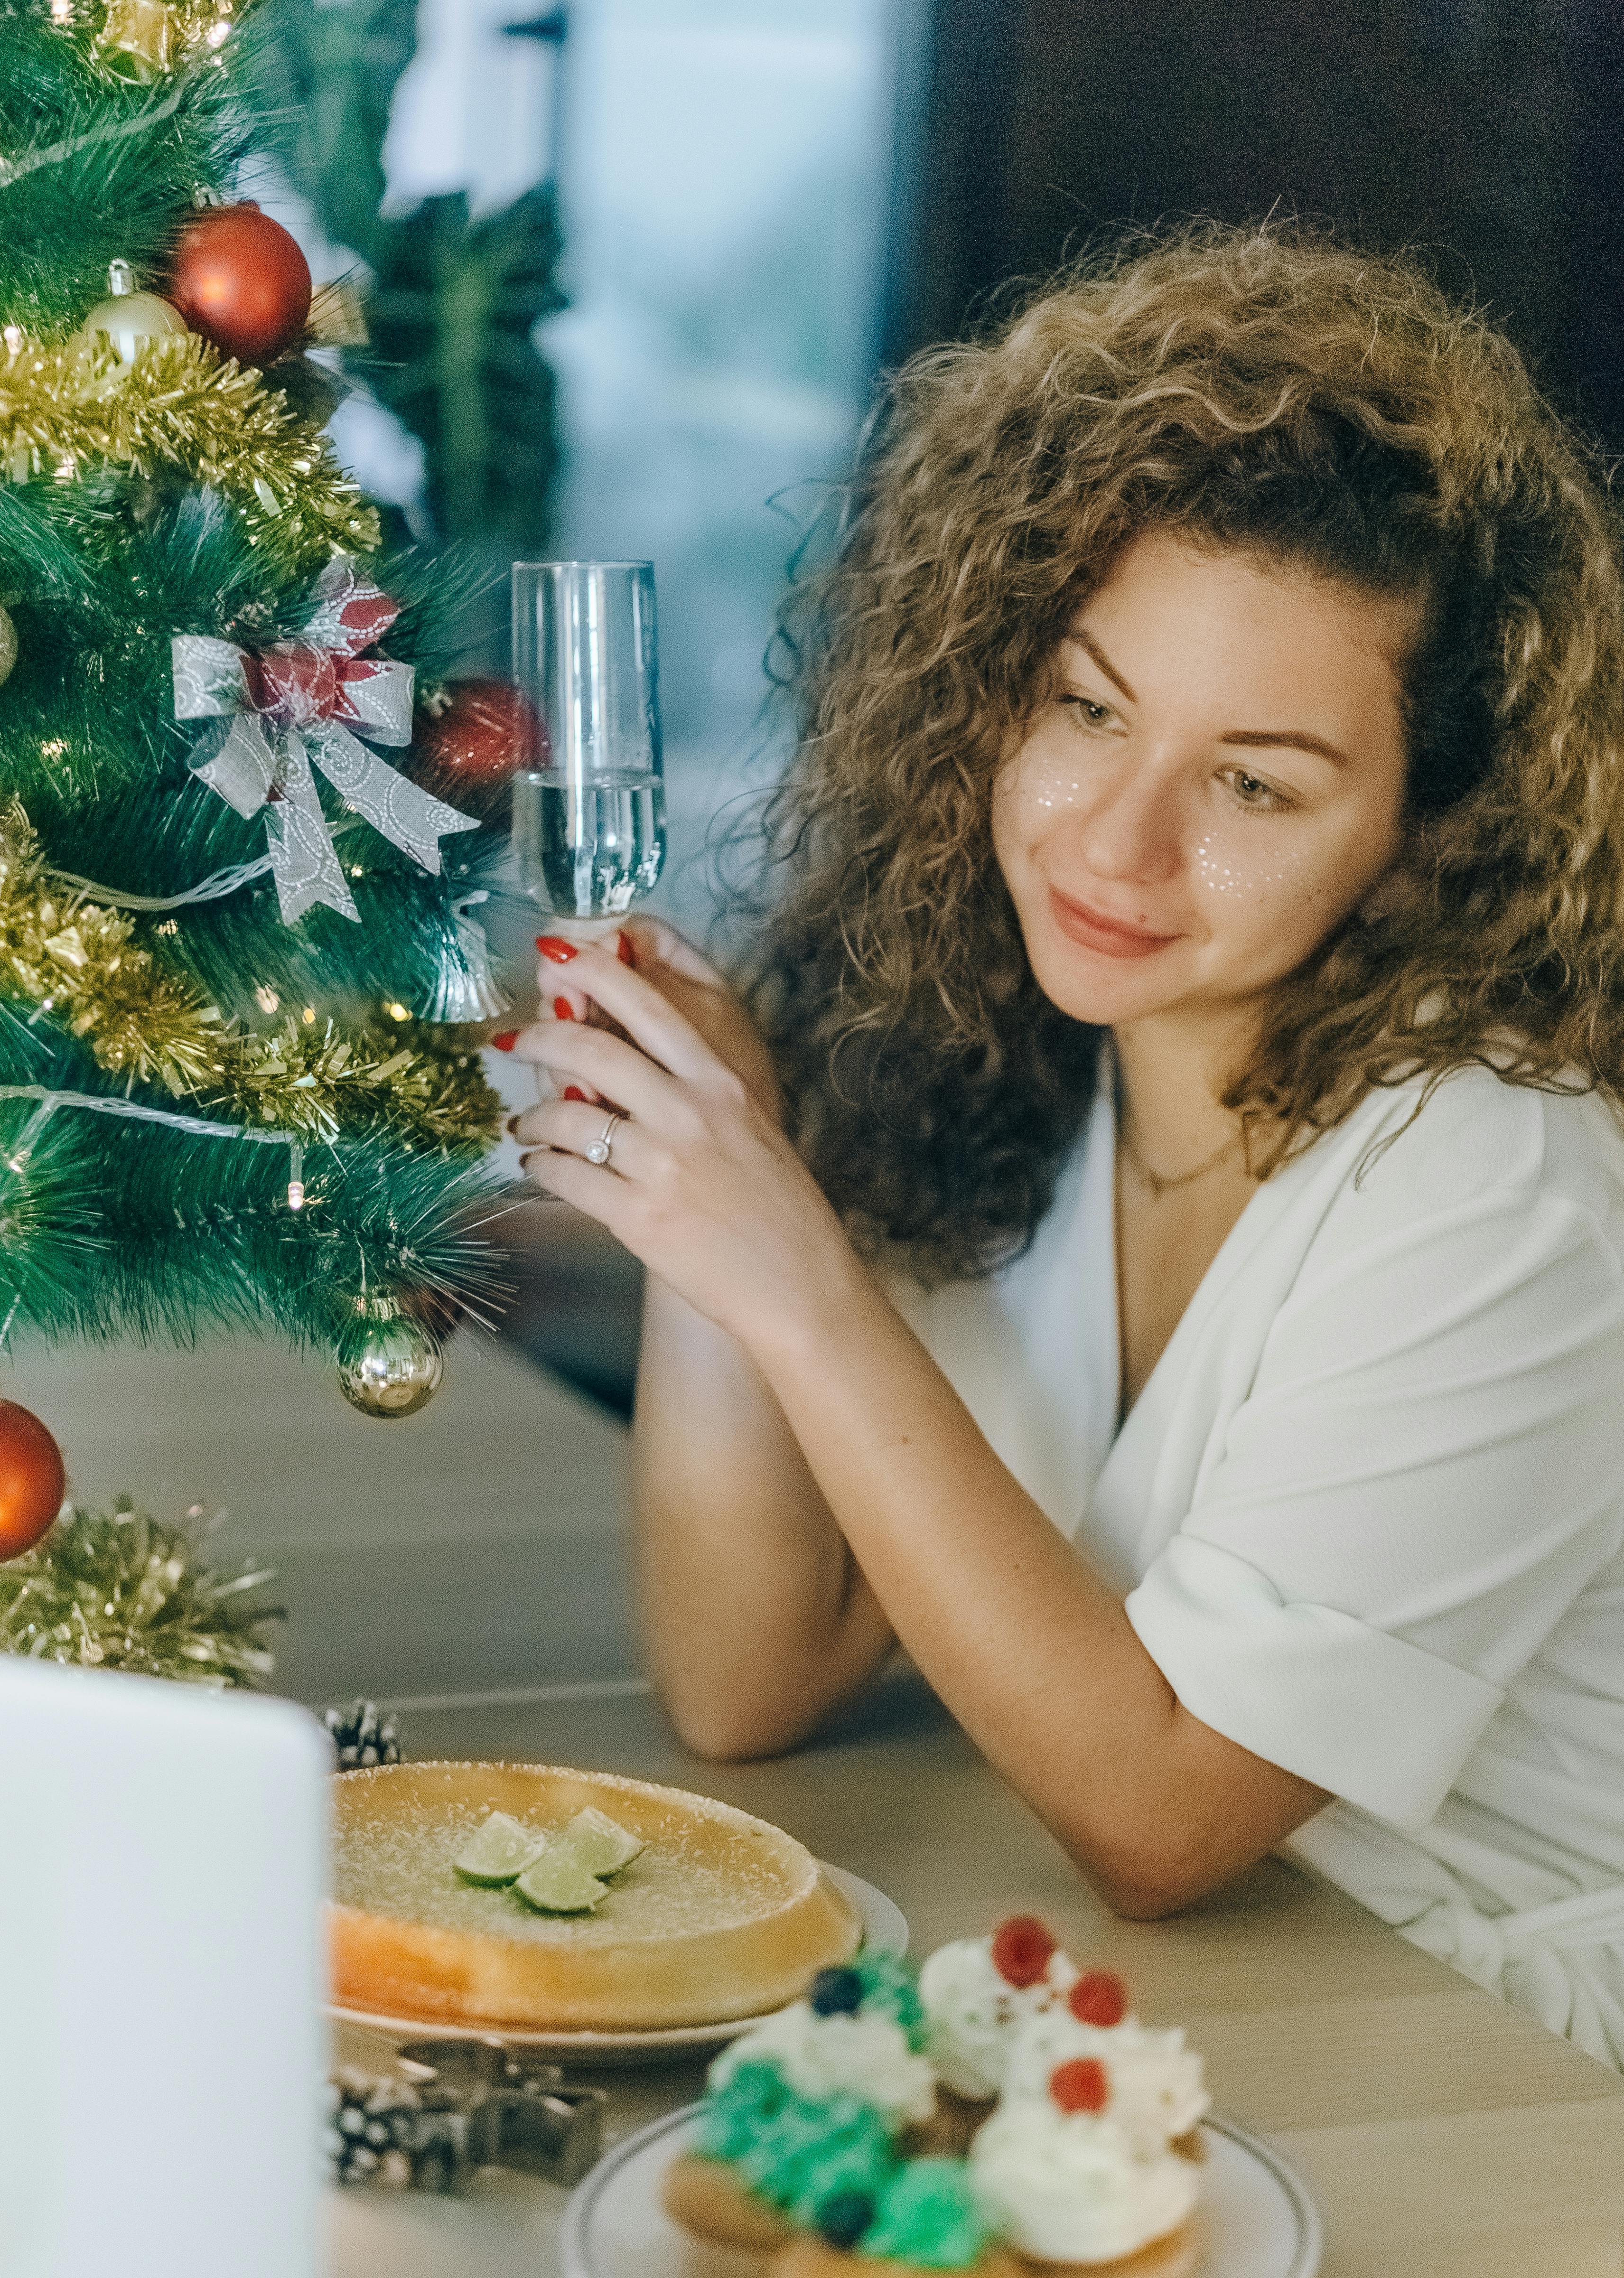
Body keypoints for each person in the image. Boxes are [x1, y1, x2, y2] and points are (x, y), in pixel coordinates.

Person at [508, 226, 1624, 2069]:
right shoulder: (1017, 1062)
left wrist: (788, 1270)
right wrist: (724, 1186)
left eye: (1250, 782)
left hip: (1502, 2083)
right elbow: (745, 1678)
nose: (1112, 846)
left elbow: (1161, 1815)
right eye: (1085, 709)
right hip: (1231, 2002)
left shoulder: (1496, 1184)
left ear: (1428, 832)